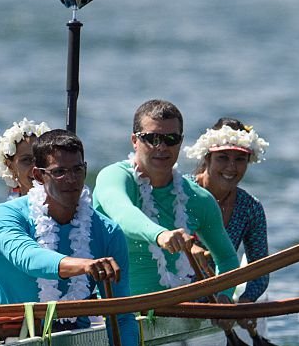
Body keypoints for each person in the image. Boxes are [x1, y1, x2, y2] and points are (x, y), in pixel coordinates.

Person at [0, 129, 138, 346]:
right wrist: (81, 265)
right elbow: (26, 256)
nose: (71, 180)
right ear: (39, 175)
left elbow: (122, 314)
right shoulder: (3, 216)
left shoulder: (106, 231)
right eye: (59, 172)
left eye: (77, 170)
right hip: (14, 342)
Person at [92, 99, 240, 298]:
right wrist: (160, 235)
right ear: (134, 141)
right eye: (152, 138)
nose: (161, 147)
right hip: (116, 312)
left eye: (170, 138)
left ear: (180, 141)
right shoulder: (114, 177)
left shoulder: (198, 199)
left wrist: (224, 298)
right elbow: (122, 213)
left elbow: (227, 258)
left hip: (179, 314)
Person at [185, 117, 270, 302]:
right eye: (223, 157)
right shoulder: (179, 192)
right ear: (207, 158)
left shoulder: (251, 209)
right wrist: (188, 247)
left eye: (240, 159)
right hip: (169, 293)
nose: (231, 167)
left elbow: (260, 272)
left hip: (219, 299)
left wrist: (245, 303)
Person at [0, 117, 51, 198]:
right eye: (27, 160)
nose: (36, 167)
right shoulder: (5, 210)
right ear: (10, 166)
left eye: (41, 158)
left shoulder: (69, 206)